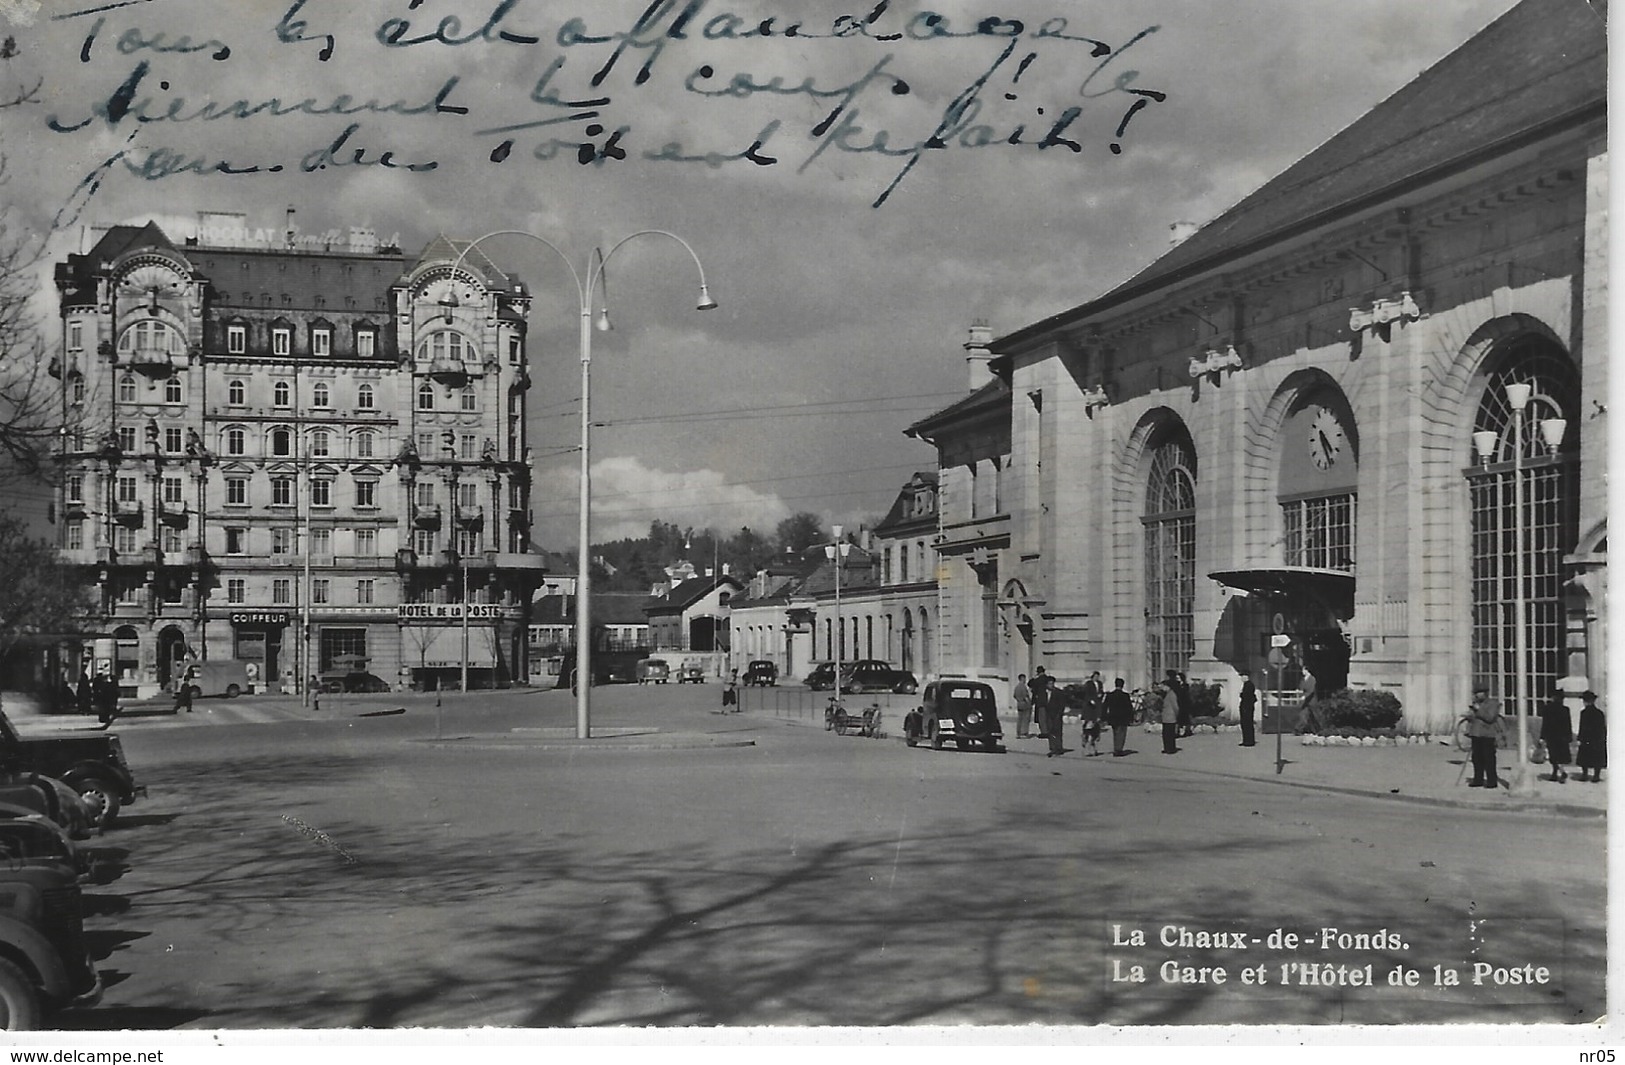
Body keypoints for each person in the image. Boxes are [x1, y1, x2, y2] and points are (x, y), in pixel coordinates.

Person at [1466, 687, 1502, 789]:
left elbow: (1490, 718)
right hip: (1476, 734)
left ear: (1485, 693)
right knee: (1476, 758)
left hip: (1487, 734)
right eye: (1475, 693)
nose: (1477, 695)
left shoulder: (1493, 704)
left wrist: (1479, 709)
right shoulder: (1476, 704)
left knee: (1489, 758)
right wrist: (1470, 715)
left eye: (1479, 693)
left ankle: (1492, 781)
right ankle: (1478, 779)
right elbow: (1474, 718)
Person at [1539, 690, 1573, 783]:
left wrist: (1542, 736)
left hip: (1552, 736)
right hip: (1562, 736)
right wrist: (1569, 736)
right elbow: (1568, 724)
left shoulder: (1547, 709)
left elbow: (1545, 724)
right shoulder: (1565, 709)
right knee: (1560, 756)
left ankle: (1558, 772)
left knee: (1553, 755)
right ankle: (1558, 772)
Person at [1575, 690, 1606, 784]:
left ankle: (1585, 774)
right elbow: (1603, 728)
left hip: (1587, 738)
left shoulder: (1584, 713)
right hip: (1597, 738)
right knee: (1597, 757)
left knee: (1585, 756)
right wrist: (1603, 738)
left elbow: (1582, 727)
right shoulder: (1599, 713)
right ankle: (1596, 775)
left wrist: (1580, 738)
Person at [1030, 667, 1061, 755]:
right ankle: (1048, 730)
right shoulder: (1047, 678)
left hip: (1040, 700)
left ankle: (1044, 732)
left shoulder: (1037, 680)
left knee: (1042, 717)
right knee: (1048, 716)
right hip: (1048, 699)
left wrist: (1033, 678)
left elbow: (1031, 685)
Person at [1103, 677, 1135, 756]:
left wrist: (1104, 717)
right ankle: (1119, 749)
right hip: (1123, 717)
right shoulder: (1125, 695)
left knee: (1116, 733)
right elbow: (1129, 707)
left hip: (1113, 717)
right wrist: (1131, 717)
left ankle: (1116, 748)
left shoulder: (1110, 695)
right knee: (1122, 733)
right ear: (1123, 685)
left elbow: (1105, 706)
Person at [1078, 671, 1104, 756]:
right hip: (1089, 708)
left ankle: (1093, 747)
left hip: (1097, 707)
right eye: (1095, 676)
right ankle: (1086, 746)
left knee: (1095, 730)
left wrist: (1100, 695)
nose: (1096, 678)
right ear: (1092, 676)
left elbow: (1101, 692)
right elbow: (1086, 694)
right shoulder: (1088, 684)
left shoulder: (1099, 683)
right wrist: (1090, 700)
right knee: (1088, 729)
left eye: (1098, 676)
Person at [1159, 679, 1181, 754]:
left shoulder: (1172, 694)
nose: (1162, 688)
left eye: (1163, 686)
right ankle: (1167, 748)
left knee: (1170, 734)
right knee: (1165, 734)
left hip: (1170, 717)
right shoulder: (1167, 694)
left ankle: (1171, 748)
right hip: (1166, 717)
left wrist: (1176, 715)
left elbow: (1176, 707)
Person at [1170, 671, 1193, 737]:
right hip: (1178, 703)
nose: (1177, 679)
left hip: (1184, 704)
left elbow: (1186, 695)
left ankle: (1185, 731)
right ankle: (1177, 732)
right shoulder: (1176, 686)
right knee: (1178, 719)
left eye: (1178, 678)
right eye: (1176, 678)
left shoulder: (1185, 686)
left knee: (1184, 718)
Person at [1239, 676, 1258, 748]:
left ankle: (1249, 741)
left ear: (1246, 677)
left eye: (1242, 676)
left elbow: (1246, 696)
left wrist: (1241, 694)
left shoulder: (1249, 685)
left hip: (1247, 707)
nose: (1241, 678)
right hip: (1247, 706)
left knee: (1247, 723)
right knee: (1246, 723)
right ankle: (1246, 740)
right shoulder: (1247, 685)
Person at [1012, 674, 1033, 738]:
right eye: (1024, 679)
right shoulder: (1023, 687)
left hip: (1019, 704)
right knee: (1026, 719)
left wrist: (1019, 700)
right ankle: (1024, 732)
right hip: (1025, 704)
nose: (1025, 680)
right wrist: (1029, 704)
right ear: (1022, 679)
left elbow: (1014, 695)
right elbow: (1025, 696)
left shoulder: (1017, 687)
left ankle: (1018, 733)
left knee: (1019, 719)